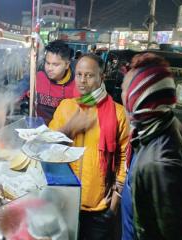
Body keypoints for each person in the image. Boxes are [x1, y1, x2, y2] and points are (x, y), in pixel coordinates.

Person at [120, 53, 182, 240]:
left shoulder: (159, 164)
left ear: (139, 96)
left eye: (126, 89)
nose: (121, 93)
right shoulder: (165, 124)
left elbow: (180, 232)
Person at [49, 54, 129, 240]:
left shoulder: (117, 113)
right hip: (64, 202)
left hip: (99, 207)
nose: (82, 81)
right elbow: (48, 147)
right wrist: (69, 129)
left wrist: (115, 201)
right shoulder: (66, 107)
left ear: (101, 77)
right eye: (79, 74)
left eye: (89, 75)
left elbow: (124, 157)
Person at [36, 40, 78, 124]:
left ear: (67, 65)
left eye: (55, 65)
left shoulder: (77, 85)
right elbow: (17, 90)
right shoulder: (38, 76)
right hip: (38, 130)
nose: (49, 68)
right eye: (47, 63)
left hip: (63, 133)